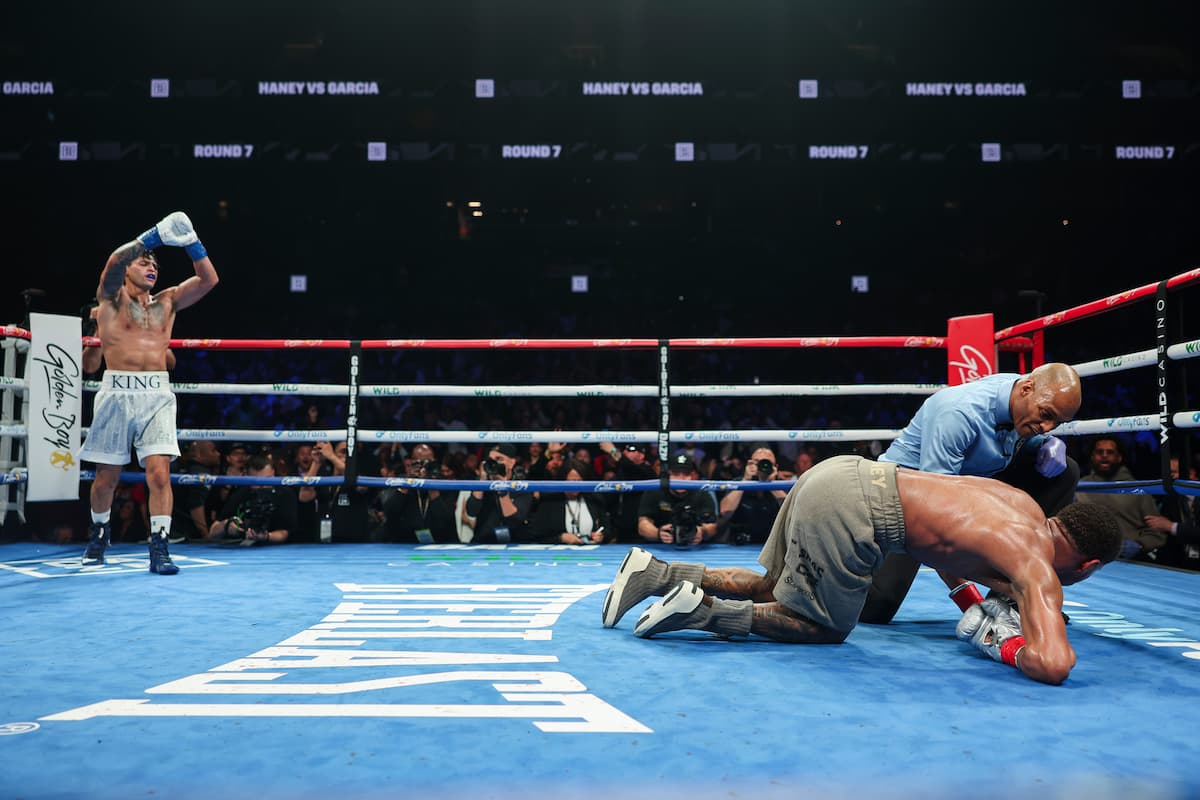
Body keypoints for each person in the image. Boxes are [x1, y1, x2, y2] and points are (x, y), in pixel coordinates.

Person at [602, 455, 1121, 686]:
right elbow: (1053, 664)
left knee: (772, 586)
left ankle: (656, 574)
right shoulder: (1036, 563)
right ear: (1088, 565)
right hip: (860, 512)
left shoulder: (1019, 505)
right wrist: (1002, 643)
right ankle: (704, 611)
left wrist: (977, 606)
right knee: (822, 627)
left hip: (839, 473)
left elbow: (946, 550)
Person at [863, 362, 1083, 623]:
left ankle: (1012, 598)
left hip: (971, 482)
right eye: (1046, 414)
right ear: (1026, 389)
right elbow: (937, 514)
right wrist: (969, 600)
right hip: (906, 496)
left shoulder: (1022, 395)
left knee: (1065, 470)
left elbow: (1032, 437)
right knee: (877, 607)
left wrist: (1047, 444)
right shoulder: (959, 413)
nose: (1048, 426)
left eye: (1057, 422)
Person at [78, 211, 218, 574]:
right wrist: (153, 237)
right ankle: (99, 530)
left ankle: (159, 547)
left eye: (154, 263)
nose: (151, 266)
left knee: (159, 474)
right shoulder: (109, 299)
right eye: (143, 262)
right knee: (106, 478)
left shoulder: (168, 301)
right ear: (127, 270)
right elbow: (112, 260)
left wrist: (191, 243)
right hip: (117, 392)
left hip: (157, 394)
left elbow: (208, 279)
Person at [1074, 437, 1163, 561]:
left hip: (1130, 561)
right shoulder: (1080, 488)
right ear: (1092, 457)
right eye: (1099, 452)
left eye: (1110, 452)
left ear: (1119, 457)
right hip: (1087, 557)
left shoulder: (1138, 490)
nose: (1104, 456)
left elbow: (1157, 532)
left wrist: (1140, 545)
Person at [207, 453, 298, 545]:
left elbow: (284, 533)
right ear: (247, 477)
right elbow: (212, 532)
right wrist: (226, 526)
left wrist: (265, 536)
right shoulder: (241, 492)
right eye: (256, 482)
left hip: (279, 550)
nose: (262, 486)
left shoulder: (285, 493)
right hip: (241, 550)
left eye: (267, 480)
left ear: (273, 473)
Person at [378, 443, 457, 543]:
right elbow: (390, 512)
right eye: (420, 462)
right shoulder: (400, 481)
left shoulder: (443, 484)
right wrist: (407, 484)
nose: (424, 467)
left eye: (428, 462)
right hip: (405, 541)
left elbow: (446, 519)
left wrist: (431, 486)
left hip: (438, 541)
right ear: (412, 463)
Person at [636, 454, 718, 546]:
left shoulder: (701, 494)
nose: (681, 479)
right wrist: (657, 533)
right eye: (676, 474)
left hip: (695, 549)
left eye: (686, 474)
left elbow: (712, 526)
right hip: (659, 547)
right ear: (668, 474)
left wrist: (702, 532)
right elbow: (643, 524)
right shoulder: (654, 492)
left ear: (693, 475)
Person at [463, 443, 533, 543]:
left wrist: (502, 488)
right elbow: (471, 511)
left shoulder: (520, 485)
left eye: (499, 459)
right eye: (491, 460)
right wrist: (482, 481)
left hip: (514, 543)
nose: (494, 464)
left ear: (511, 463)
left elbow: (514, 521)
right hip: (484, 542)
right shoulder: (482, 483)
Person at [718, 446, 788, 545]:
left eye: (767, 463)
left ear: (775, 467)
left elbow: (791, 513)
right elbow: (724, 512)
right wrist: (745, 482)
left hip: (772, 544)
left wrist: (772, 484)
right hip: (739, 544)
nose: (763, 467)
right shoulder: (738, 483)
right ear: (749, 464)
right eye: (758, 462)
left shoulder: (783, 485)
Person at [529, 460, 611, 544]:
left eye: (579, 481)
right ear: (564, 480)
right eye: (572, 481)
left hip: (591, 551)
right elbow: (537, 534)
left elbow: (607, 530)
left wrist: (601, 536)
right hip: (559, 553)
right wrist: (561, 538)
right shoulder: (550, 501)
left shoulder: (594, 499)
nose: (576, 485)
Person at [1145, 456, 1200, 569]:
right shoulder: (1171, 499)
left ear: (1191, 474)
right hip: (1180, 562)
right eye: (1167, 474)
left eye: (1173, 473)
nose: (1169, 478)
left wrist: (1171, 526)